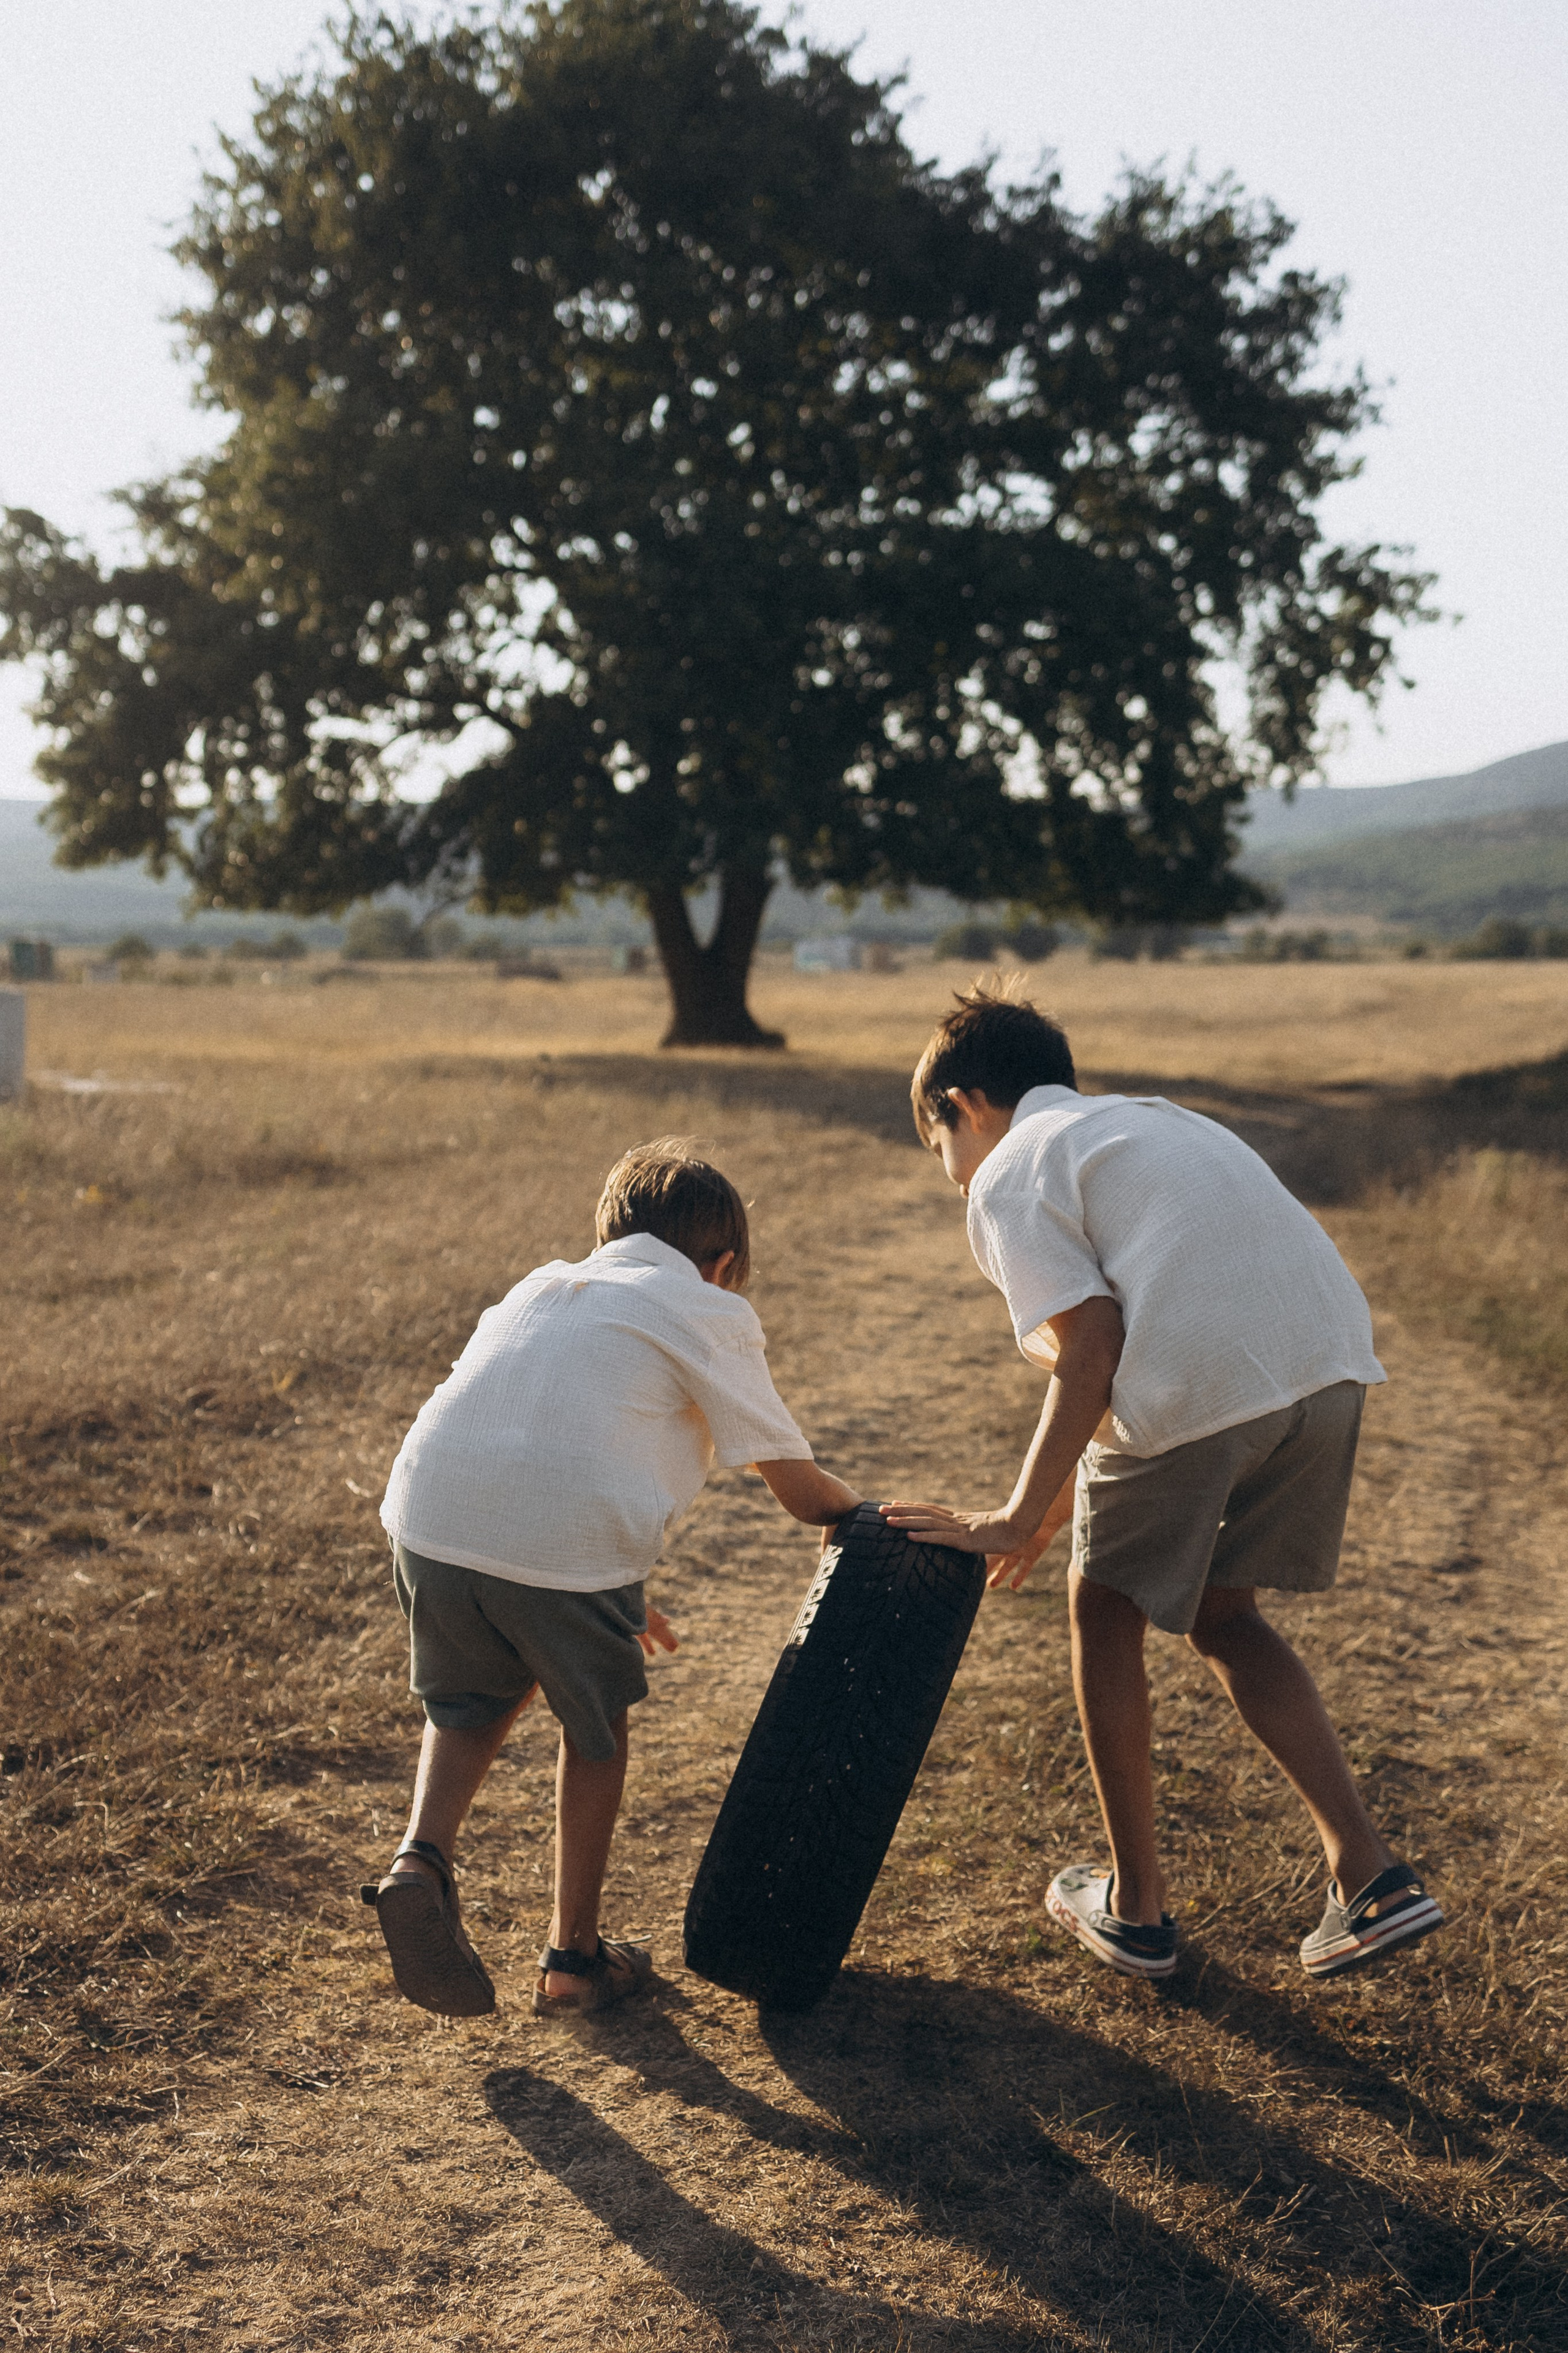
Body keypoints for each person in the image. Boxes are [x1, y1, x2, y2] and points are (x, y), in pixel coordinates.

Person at [882, 985, 1443, 1982]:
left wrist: (1013, 1516)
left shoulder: (1008, 1169)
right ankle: (1369, 1872)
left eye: (940, 1151)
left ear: (966, 1106)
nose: (951, 1177)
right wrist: (1053, 1514)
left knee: (1104, 1612)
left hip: (1205, 1376)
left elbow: (1094, 1349)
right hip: (1330, 1365)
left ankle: (1137, 1911)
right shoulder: (1153, 1119)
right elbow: (1139, 1340)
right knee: (1227, 1615)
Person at [364, 1139, 861, 2022]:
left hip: (429, 1520)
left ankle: (419, 1858)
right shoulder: (706, 1306)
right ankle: (573, 1956)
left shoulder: (542, 1284)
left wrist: (591, 1585)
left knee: (471, 1700)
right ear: (725, 1266)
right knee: (595, 1734)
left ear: (609, 1234)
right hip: (556, 1548)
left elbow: (541, 1438)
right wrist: (873, 1522)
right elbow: (798, 1488)